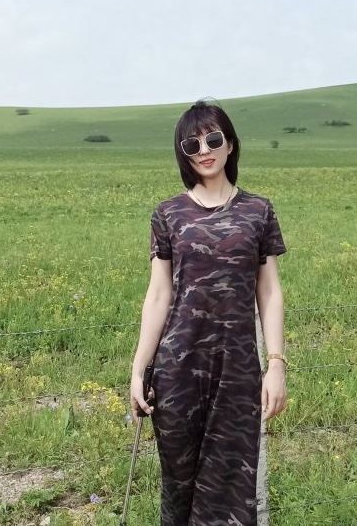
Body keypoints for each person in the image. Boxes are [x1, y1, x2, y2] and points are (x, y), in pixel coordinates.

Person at [130, 99, 287, 525]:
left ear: (230, 144)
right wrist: (139, 369)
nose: (204, 150)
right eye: (192, 144)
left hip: (238, 371)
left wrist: (276, 365)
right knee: (178, 485)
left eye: (213, 139)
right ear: (182, 153)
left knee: (232, 486)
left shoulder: (259, 211)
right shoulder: (167, 214)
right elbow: (158, 294)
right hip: (177, 370)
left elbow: (270, 291)